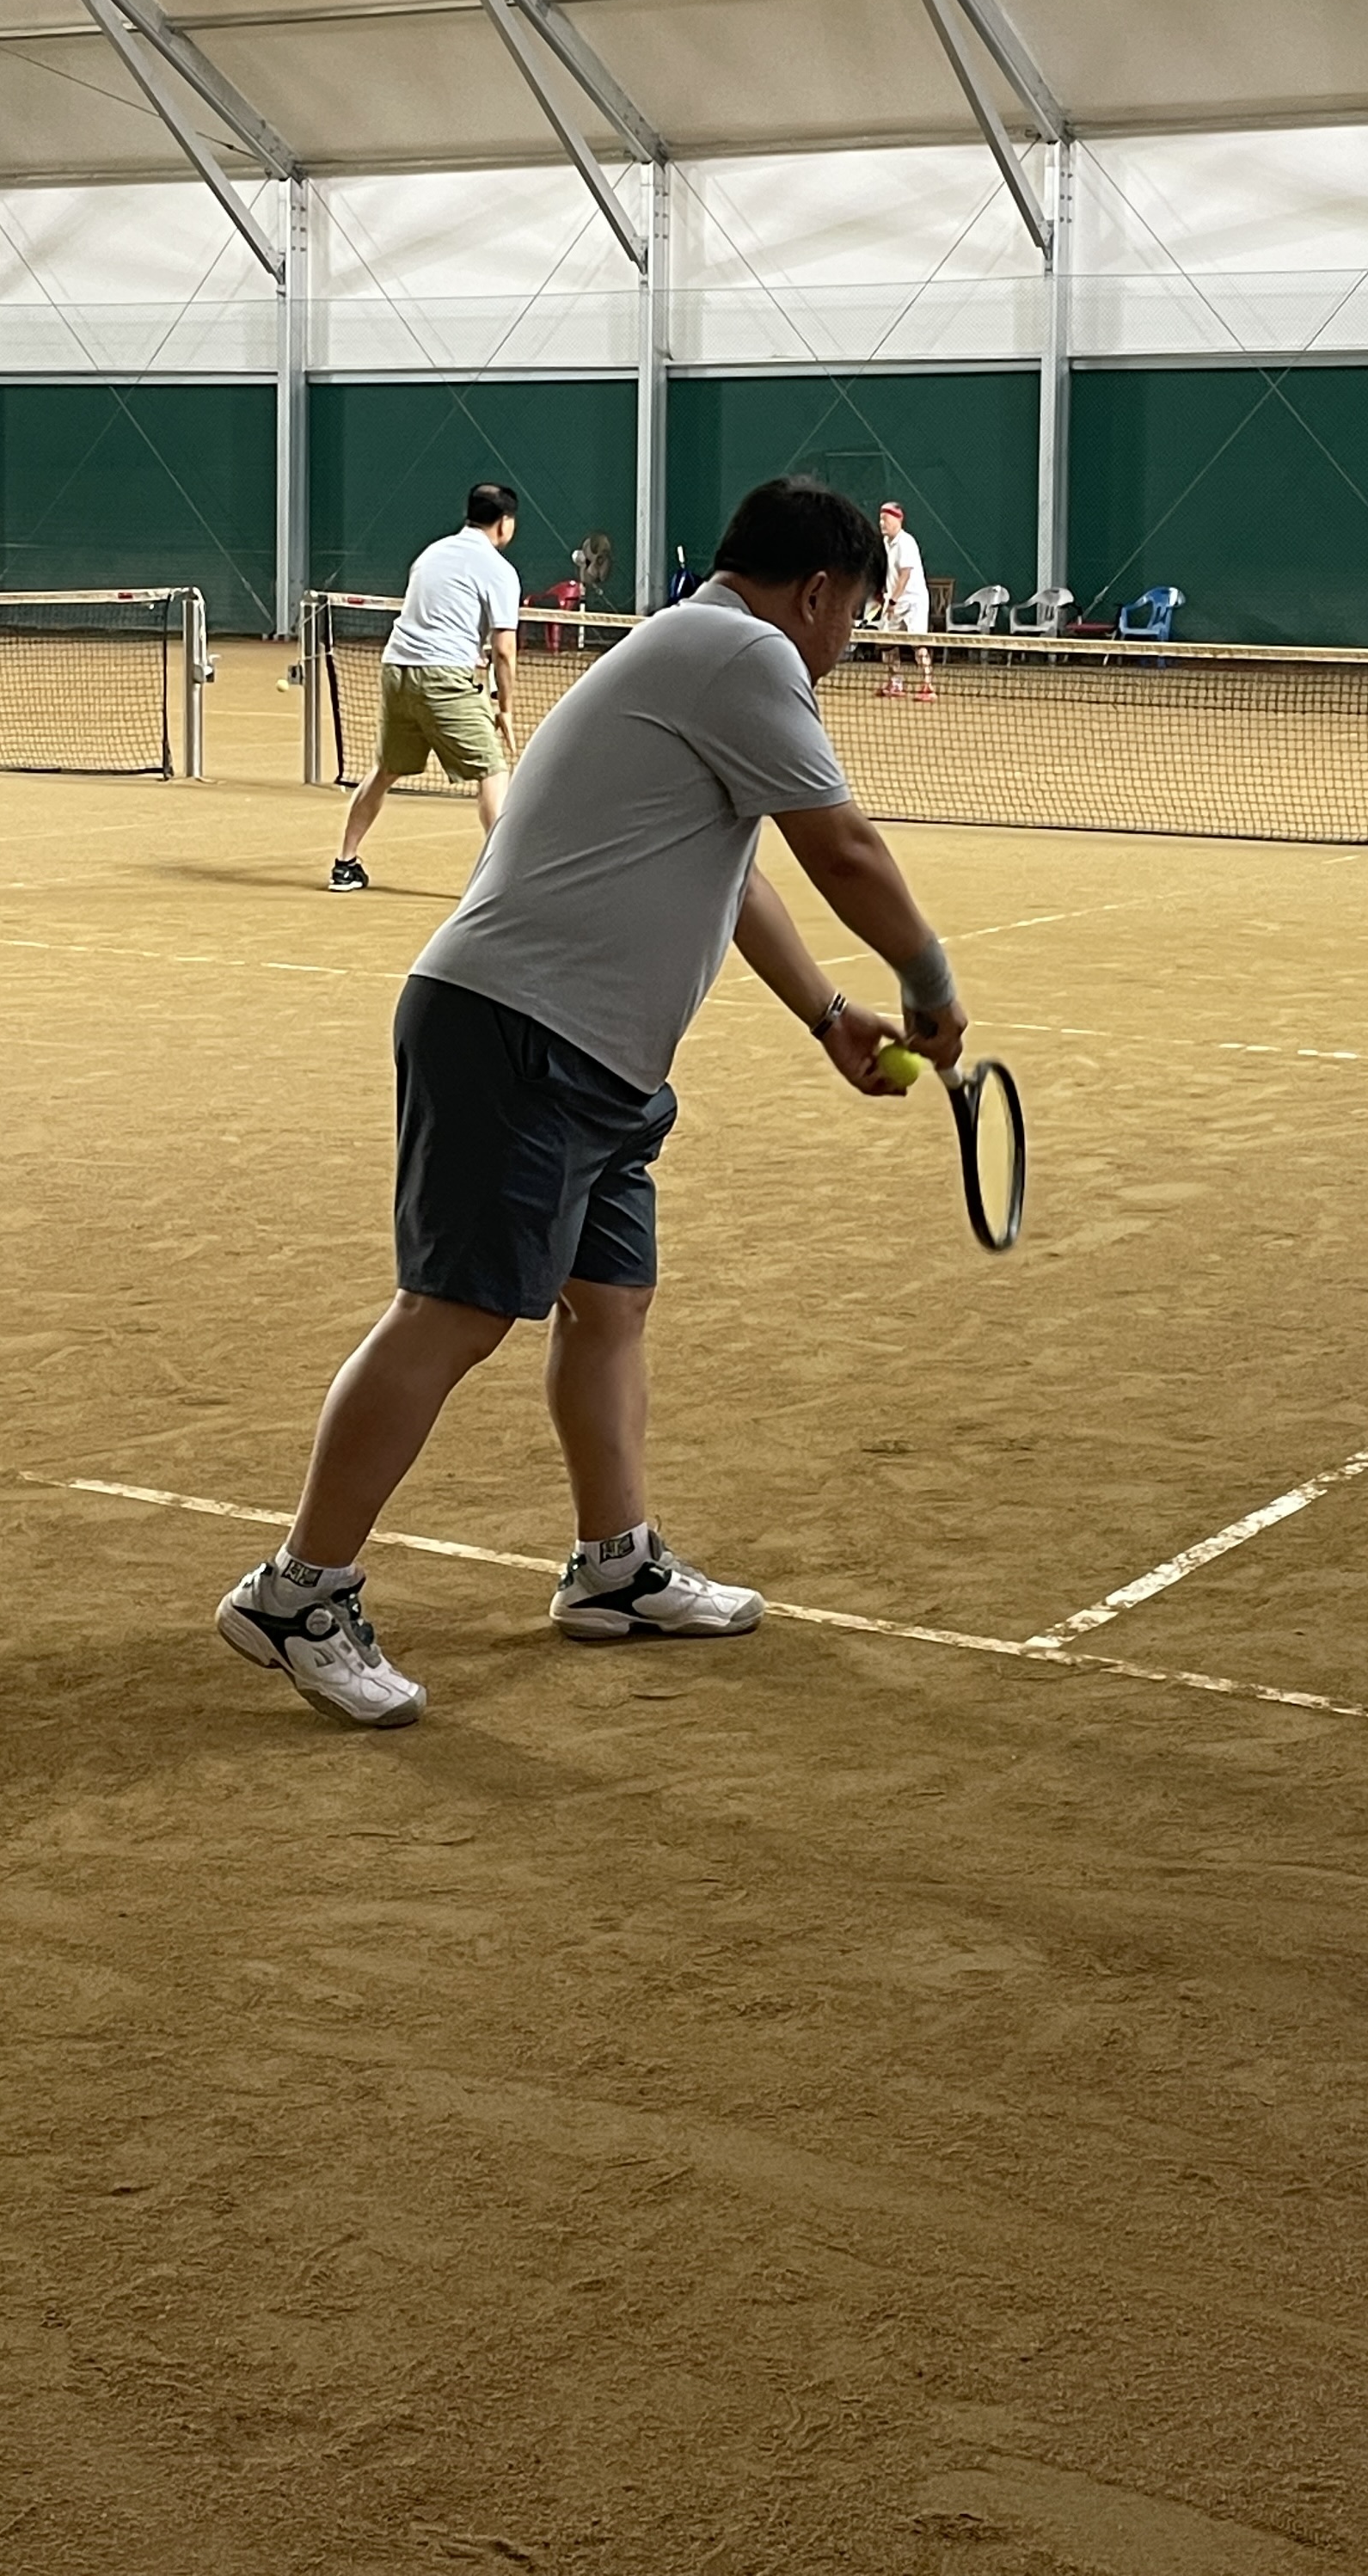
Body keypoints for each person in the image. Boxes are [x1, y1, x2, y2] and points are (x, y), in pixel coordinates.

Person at [218, 477, 969, 1728]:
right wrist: (930, 985)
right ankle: (298, 1591)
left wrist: (831, 1014)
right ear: (817, 592)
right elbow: (842, 849)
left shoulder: (696, 649)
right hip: (519, 1032)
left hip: (603, 1062)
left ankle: (614, 1566)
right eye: (851, 616)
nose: (848, 642)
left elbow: (736, 878)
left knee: (609, 1303)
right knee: (453, 1314)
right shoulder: (742, 652)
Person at [330, 484, 521, 891]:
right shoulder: (499, 570)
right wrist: (504, 707)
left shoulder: (430, 554)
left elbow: (436, 618)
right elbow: (505, 650)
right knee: (492, 771)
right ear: (505, 523)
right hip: (443, 680)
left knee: (385, 771)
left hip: (396, 672)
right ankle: (502, 879)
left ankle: (345, 864)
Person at [875, 500, 934, 699]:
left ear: (897, 520)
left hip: (913, 601)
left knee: (918, 644)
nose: (882, 523)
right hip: (894, 600)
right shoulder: (886, 543)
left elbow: (905, 575)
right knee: (886, 643)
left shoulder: (906, 542)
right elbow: (889, 574)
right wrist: (885, 595)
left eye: (885, 519)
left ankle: (928, 686)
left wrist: (893, 601)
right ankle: (896, 683)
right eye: (880, 519)